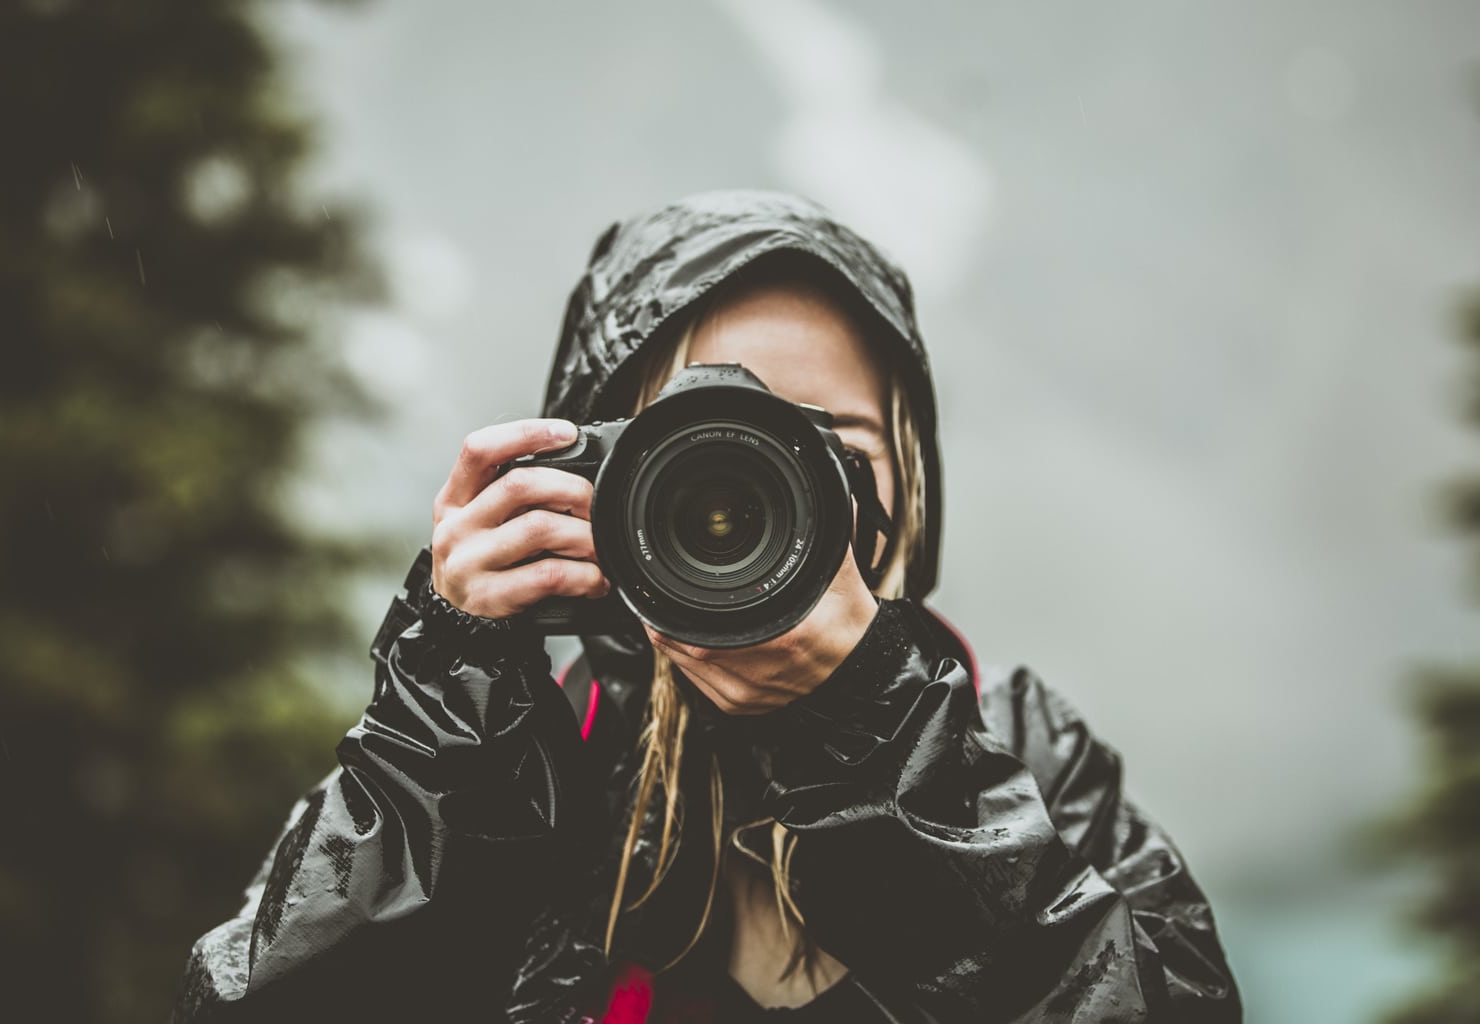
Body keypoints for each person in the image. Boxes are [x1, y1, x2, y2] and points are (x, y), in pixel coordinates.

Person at [175, 190, 1242, 1022]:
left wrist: (884, 745)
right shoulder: (510, 756)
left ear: (909, 492)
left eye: (829, 449)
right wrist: (447, 702)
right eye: (701, 454)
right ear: (587, 480)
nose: (762, 500)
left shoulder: (1021, 757)